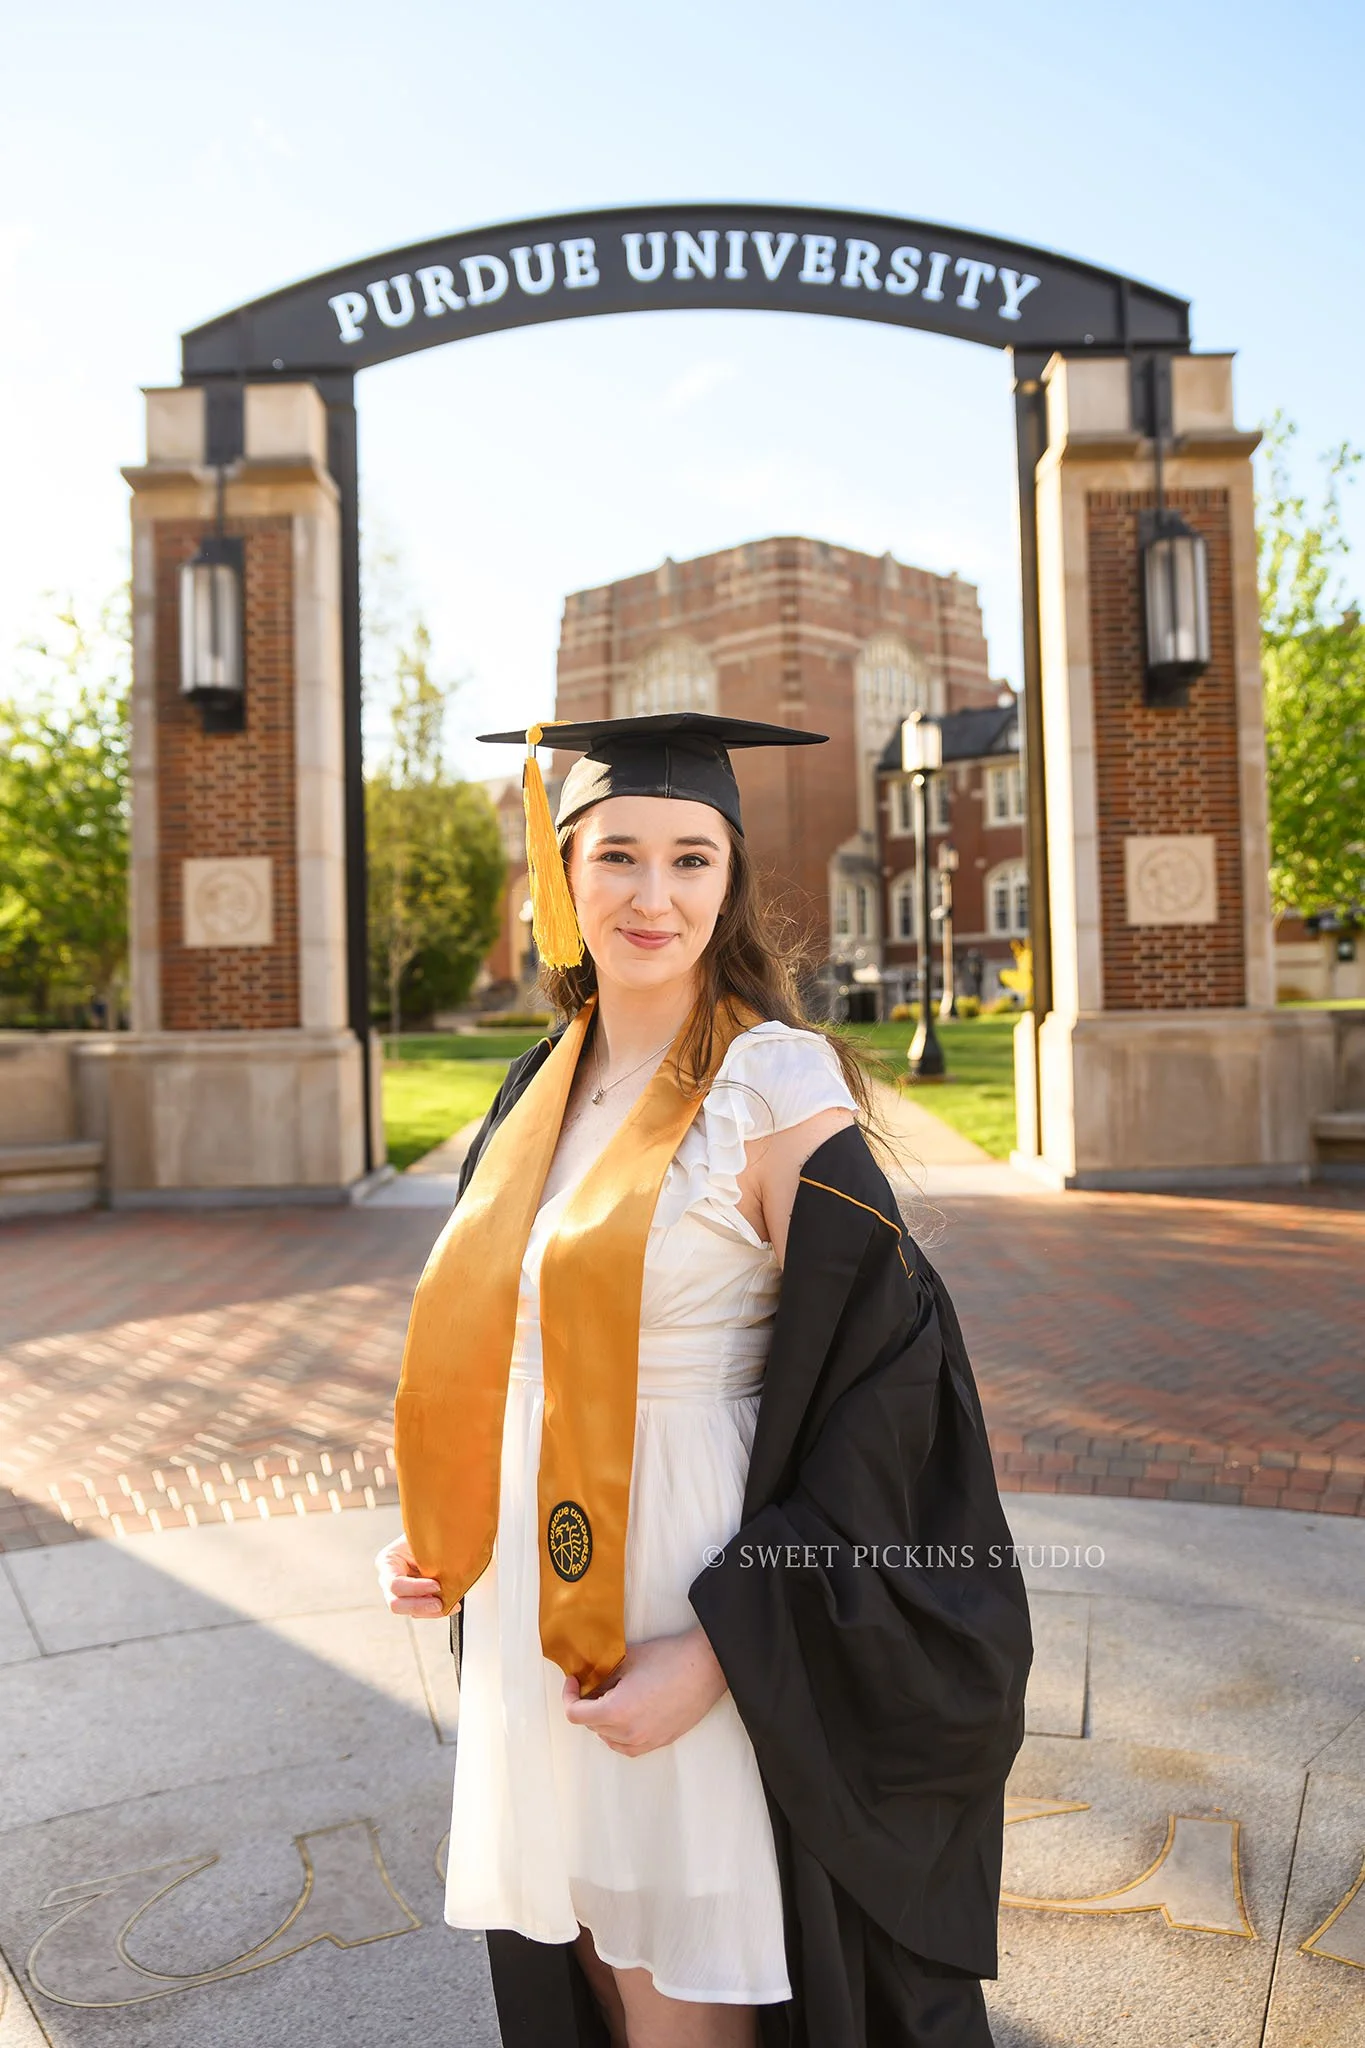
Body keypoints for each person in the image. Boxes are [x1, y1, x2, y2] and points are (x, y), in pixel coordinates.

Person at [377, 712, 1032, 2048]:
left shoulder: (770, 1086)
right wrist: (452, 1525)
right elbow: (512, 1337)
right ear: (562, 872)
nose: (653, 895)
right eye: (618, 854)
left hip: (695, 1592)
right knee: (589, 1963)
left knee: (683, 1985)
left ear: (729, 882)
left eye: (691, 858)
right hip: (539, 1595)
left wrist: (733, 1648)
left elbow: (893, 1389)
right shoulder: (539, 1088)